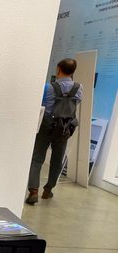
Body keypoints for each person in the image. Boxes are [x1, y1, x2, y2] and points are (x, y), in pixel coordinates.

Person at [26, 58, 83, 204]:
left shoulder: (48, 87)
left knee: (37, 158)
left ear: (58, 69)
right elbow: (76, 102)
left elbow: (42, 104)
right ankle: (48, 190)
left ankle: (33, 191)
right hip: (65, 127)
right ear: (73, 71)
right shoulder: (79, 88)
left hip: (46, 125)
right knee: (57, 160)